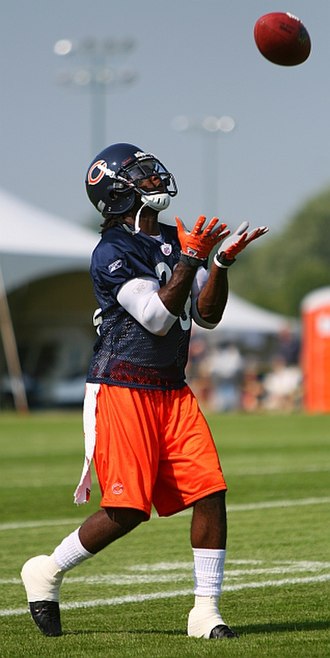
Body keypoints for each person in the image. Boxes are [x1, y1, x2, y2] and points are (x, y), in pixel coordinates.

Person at [21, 143, 268, 639]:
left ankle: (205, 611)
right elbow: (155, 318)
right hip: (121, 386)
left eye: (153, 170)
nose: (156, 178)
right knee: (127, 510)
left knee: (210, 492)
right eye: (142, 173)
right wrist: (193, 257)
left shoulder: (176, 239)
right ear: (115, 189)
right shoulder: (112, 251)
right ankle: (47, 570)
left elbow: (207, 315)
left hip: (171, 390)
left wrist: (217, 264)